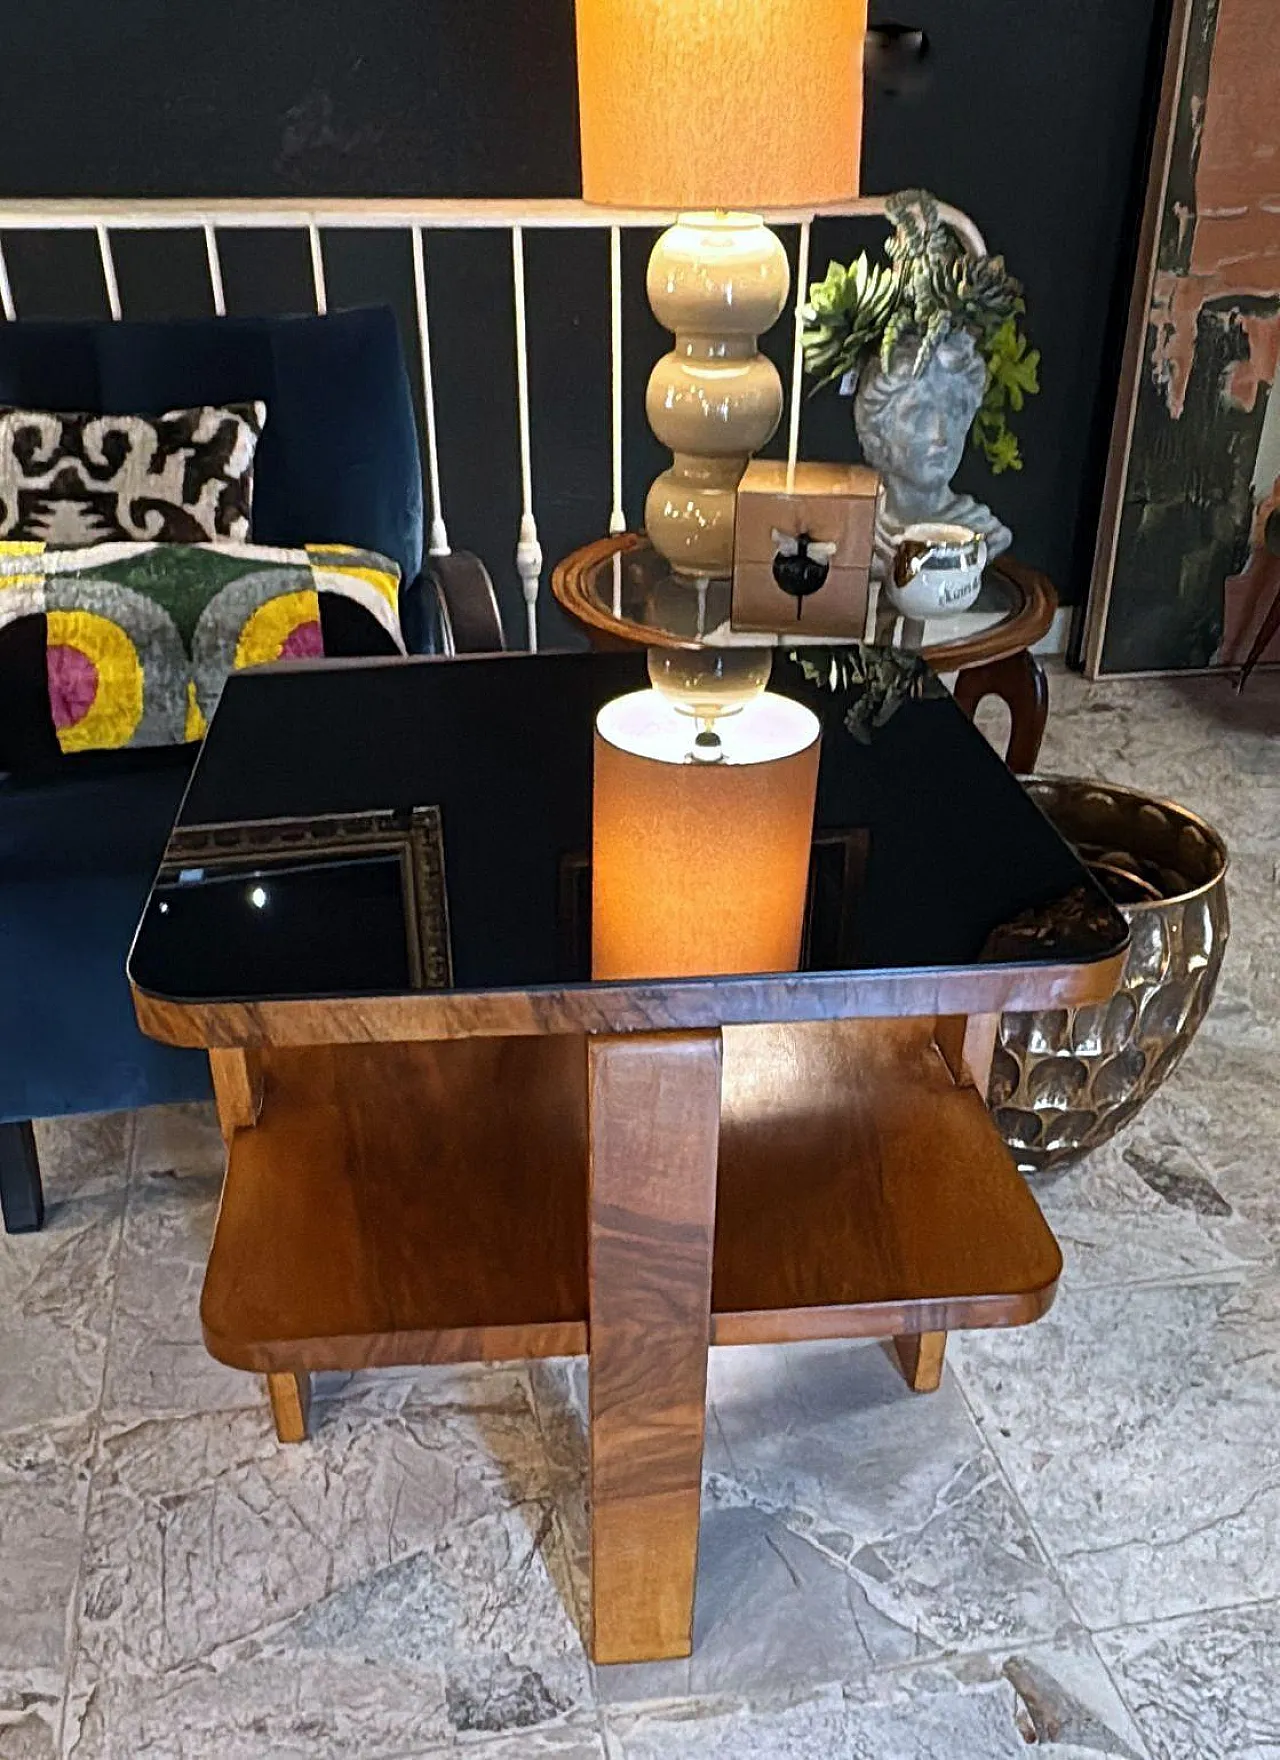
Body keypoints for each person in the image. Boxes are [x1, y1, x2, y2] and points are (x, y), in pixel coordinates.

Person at [854, 330, 1011, 578]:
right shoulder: (858, 531)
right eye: (918, 414)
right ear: (878, 428)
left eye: (953, 411)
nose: (940, 435)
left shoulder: (982, 532)